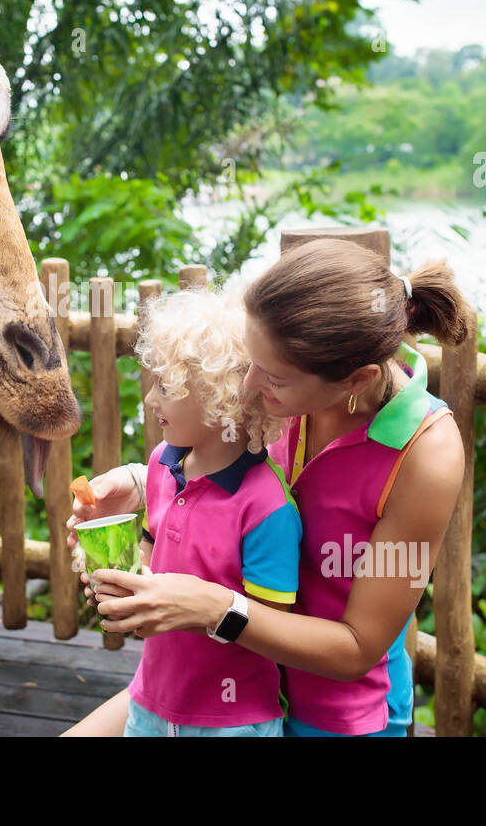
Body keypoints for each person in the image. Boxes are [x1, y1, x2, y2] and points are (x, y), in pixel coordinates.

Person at [61, 238, 470, 737]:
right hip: (218, 687)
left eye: (272, 377)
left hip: (333, 715)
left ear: (355, 380)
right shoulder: (285, 389)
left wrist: (212, 608)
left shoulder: (425, 453)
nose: (248, 386)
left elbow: (357, 647)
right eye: (248, 361)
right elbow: (224, 469)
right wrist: (141, 483)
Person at [111, 285, 301, 735]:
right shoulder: (162, 463)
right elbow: (150, 549)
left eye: (165, 385)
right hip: (151, 703)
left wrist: (201, 610)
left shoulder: (267, 508)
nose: (149, 400)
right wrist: (120, 580)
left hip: (233, 720)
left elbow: (272, 627)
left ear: (222, 398)